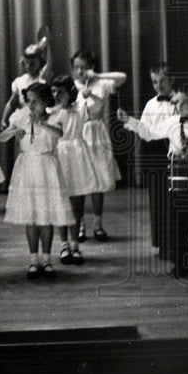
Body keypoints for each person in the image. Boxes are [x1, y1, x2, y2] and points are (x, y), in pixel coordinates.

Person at [119, 82, 188, 278]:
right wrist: (129, 121)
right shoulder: (172, 122)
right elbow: (148, 133)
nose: (176, 107)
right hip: (175, 173)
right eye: (176, 104)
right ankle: (180, 265)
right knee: (178, 221)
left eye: (182, 104)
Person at [0, 83, 72, 280]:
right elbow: (1, 137)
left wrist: (41, 123)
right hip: (27, 168)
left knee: (45, 216)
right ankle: (33, 259)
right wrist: (14, 132)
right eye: (28, 101)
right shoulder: (20, 116)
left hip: (47, 167)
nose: (30, 106)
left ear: (46, 102)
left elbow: (59, 134)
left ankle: (47, 259)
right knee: (31, 216)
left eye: (35, 102)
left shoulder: (55, 116)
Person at [71, 50, 127, 241]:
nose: (80, 71)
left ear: (91, 67)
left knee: (98, 180)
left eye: (84, 67)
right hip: (78, 134)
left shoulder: (102, 83)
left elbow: (122, 77)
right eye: (76, 67)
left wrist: (97, 76)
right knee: (79, 181)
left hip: (97, 134)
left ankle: (97, 224)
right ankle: (79, 225)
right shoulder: (72, 85)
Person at [48, 76, 101, 265]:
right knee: (62, 201)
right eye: (53, 91)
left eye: (60, 91)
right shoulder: (51, 112)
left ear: (69, 92)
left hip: (77, 156)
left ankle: (75, 244)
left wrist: (88, 94)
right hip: (61, 155)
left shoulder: (80, 108)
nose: (56, 95)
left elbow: (98, 104)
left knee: (77, 203)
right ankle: (63, 245)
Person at [132, 63, 179, 253]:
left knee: (175, 199)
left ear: (172, 80)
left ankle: (176, 243)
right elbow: (144, 131)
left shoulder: (181, 101)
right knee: (158, 198)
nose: (158, 86)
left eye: (162, 81)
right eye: (154, 82)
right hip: (156, 152)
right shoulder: (151, 104)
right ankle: (162, 243)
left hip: (176, 150)